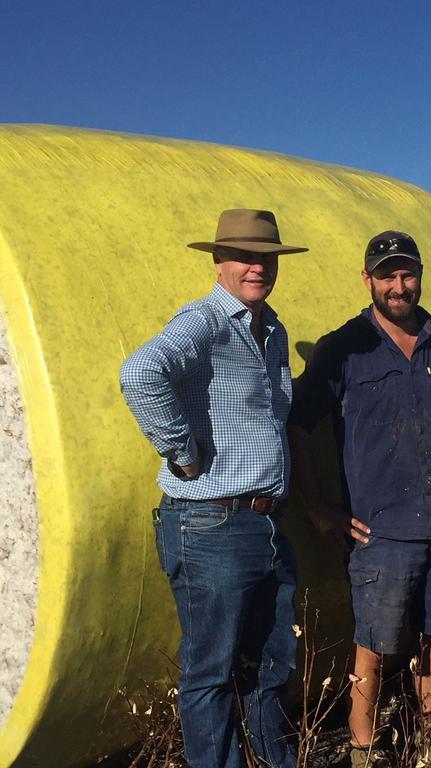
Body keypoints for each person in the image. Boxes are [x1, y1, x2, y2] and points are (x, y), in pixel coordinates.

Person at [289, 231, 431, 767]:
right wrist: (318, 507)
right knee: (372, 652)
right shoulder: (344, 347)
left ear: (420, 275)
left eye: (407, 274)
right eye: (387, 276)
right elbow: (299, 427)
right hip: (379, 533)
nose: (398, 286)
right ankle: (363, 754)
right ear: (368, 280)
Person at [120, 209, 308, 768]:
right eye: (245, 256)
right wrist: (181, 450)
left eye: (267, 257)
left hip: (263, 523)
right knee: (211, 673)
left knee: (273, 663)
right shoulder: (204, 320)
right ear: (218, 262)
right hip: (210, 523)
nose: (257, 266)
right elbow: (140, 372)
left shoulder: (271, 328)